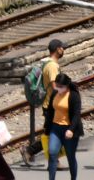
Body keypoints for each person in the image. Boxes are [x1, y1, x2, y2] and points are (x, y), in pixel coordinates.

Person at [20, 39, 63, 167]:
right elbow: (55, 86)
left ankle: (32, 152)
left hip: (50, 104)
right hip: (52, 105)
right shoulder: (52, 66)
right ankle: (30, 151)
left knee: (51, 133)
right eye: (62, 47)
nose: (63, 50)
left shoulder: (47, 63)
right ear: (58, 49)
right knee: (53, 134)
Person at [46, 73, 82, 180]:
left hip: (69, 130)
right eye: (57, 85)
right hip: (55, 128)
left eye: (61, 86)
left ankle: (73, 178)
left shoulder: (74, 95)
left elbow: (76, 114)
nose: (58, 88)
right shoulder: (54, 94)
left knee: (71, 157)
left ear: (67, 85)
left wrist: (71, 130)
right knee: (52, 153)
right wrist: (47, 127)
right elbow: (50, 110)